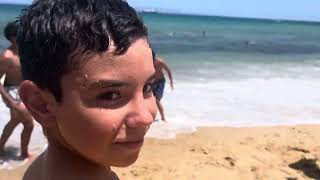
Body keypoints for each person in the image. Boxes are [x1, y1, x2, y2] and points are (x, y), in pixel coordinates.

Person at [17, 0, 157, 179]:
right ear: (41, 104)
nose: (145, 118)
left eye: (147, 87)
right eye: (111, 95)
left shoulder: (42, 167)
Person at [0, 21, 34, 159]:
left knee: (16, 121)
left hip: (22, 89)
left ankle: (1, 148)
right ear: (13, 38)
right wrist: (11, 102)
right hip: (11, 92)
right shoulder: (7, 57)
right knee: (29, 124)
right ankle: (24, 154)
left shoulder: (24, 51)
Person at [152, 50, 174, 121]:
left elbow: (168, 71)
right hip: (152, 82)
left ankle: (163, 118)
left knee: (157, 100)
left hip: (160, 82)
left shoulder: (160, 62)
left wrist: (171, 82)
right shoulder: (148, 62)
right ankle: (152, 117)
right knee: (151, 100)